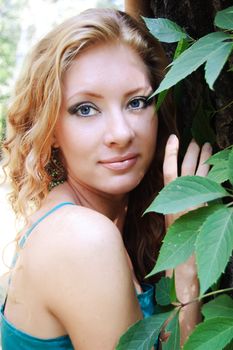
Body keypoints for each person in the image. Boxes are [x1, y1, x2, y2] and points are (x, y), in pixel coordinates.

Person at [0, 8, 212, 350]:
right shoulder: (83, 239)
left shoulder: (103, 222)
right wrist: (185, 267)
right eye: (85, 108)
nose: (120, 133)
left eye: (137, 102)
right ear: (51, 129)